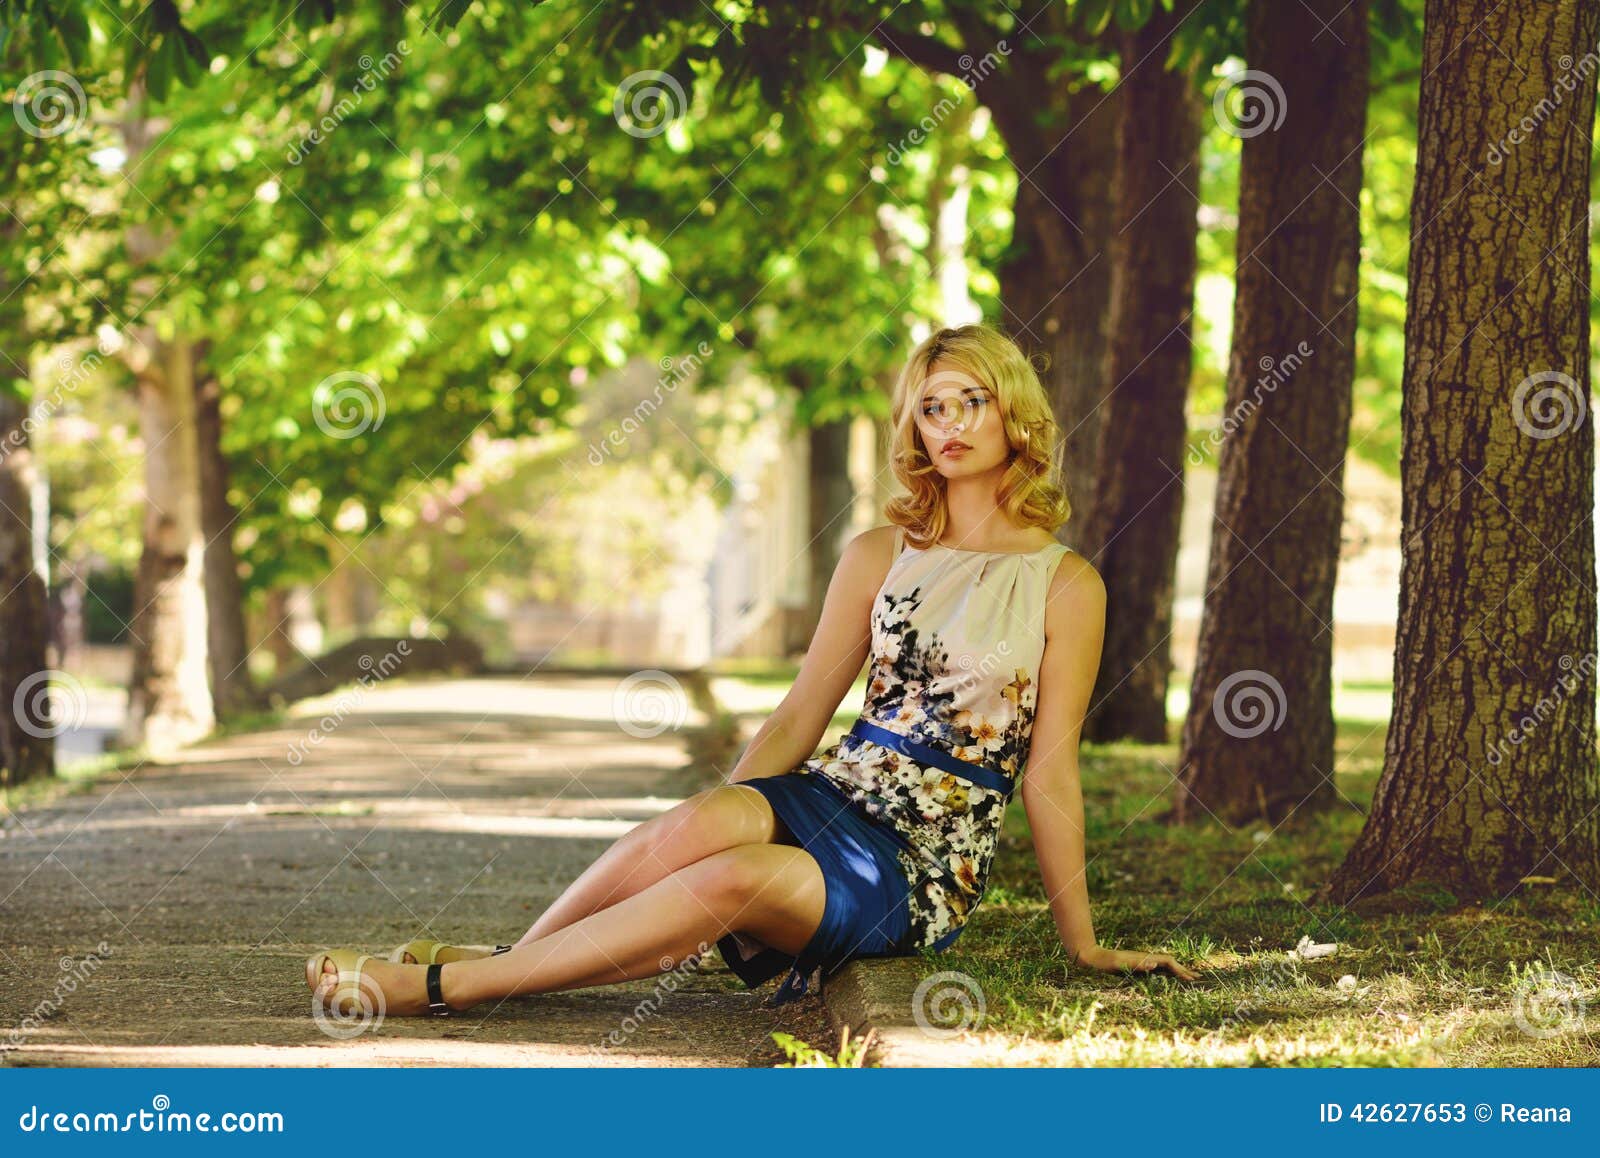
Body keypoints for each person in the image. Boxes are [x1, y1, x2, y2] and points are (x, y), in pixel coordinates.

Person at [304, 322, 1200, 1021]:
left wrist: (1083, 946)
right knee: (709, 819)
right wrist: (717, 823)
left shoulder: (1066, 583)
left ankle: (439, 989)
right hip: (834, 791)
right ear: (914, 429)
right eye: (932, 408)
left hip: (921, 859)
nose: (951, 424)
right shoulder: (879, 553)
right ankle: (501, 965)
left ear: (1015, 414)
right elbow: (798, 715)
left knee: (732, 882)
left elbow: (1049, 772)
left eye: (971, 401)